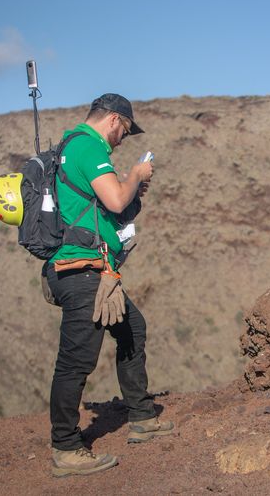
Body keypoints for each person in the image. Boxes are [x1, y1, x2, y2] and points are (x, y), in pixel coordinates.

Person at [44, 93, 174, 478]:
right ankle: (66, 447)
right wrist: (135, 175)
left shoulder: (73, 148)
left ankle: (141, 417)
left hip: (93, 270)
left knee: (132, 328)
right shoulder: (87, 146)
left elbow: (107, 210)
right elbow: (116, 201)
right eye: (126, 131)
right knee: (76, 360)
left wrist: (133, 192)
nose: (123, 139)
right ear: (114, 120)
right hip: (81, 271)